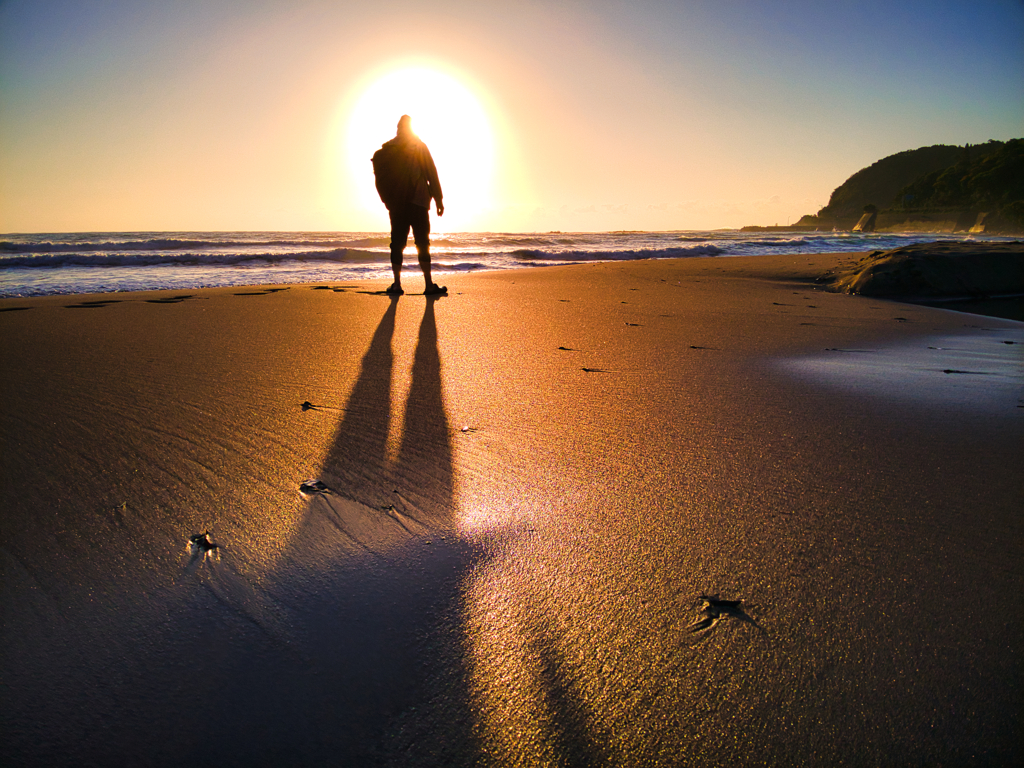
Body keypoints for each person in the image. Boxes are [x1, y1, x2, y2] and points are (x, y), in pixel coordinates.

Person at [372, 115, 446, 296]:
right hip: (419, 202)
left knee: (397, 243)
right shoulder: (419, 147)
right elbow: (431, 173)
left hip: (397, 204)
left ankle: (396, 285)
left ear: (397, 129)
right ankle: (429, 285)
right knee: (422, 243)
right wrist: (438, 199)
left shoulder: (389, 150)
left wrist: (389, 202)